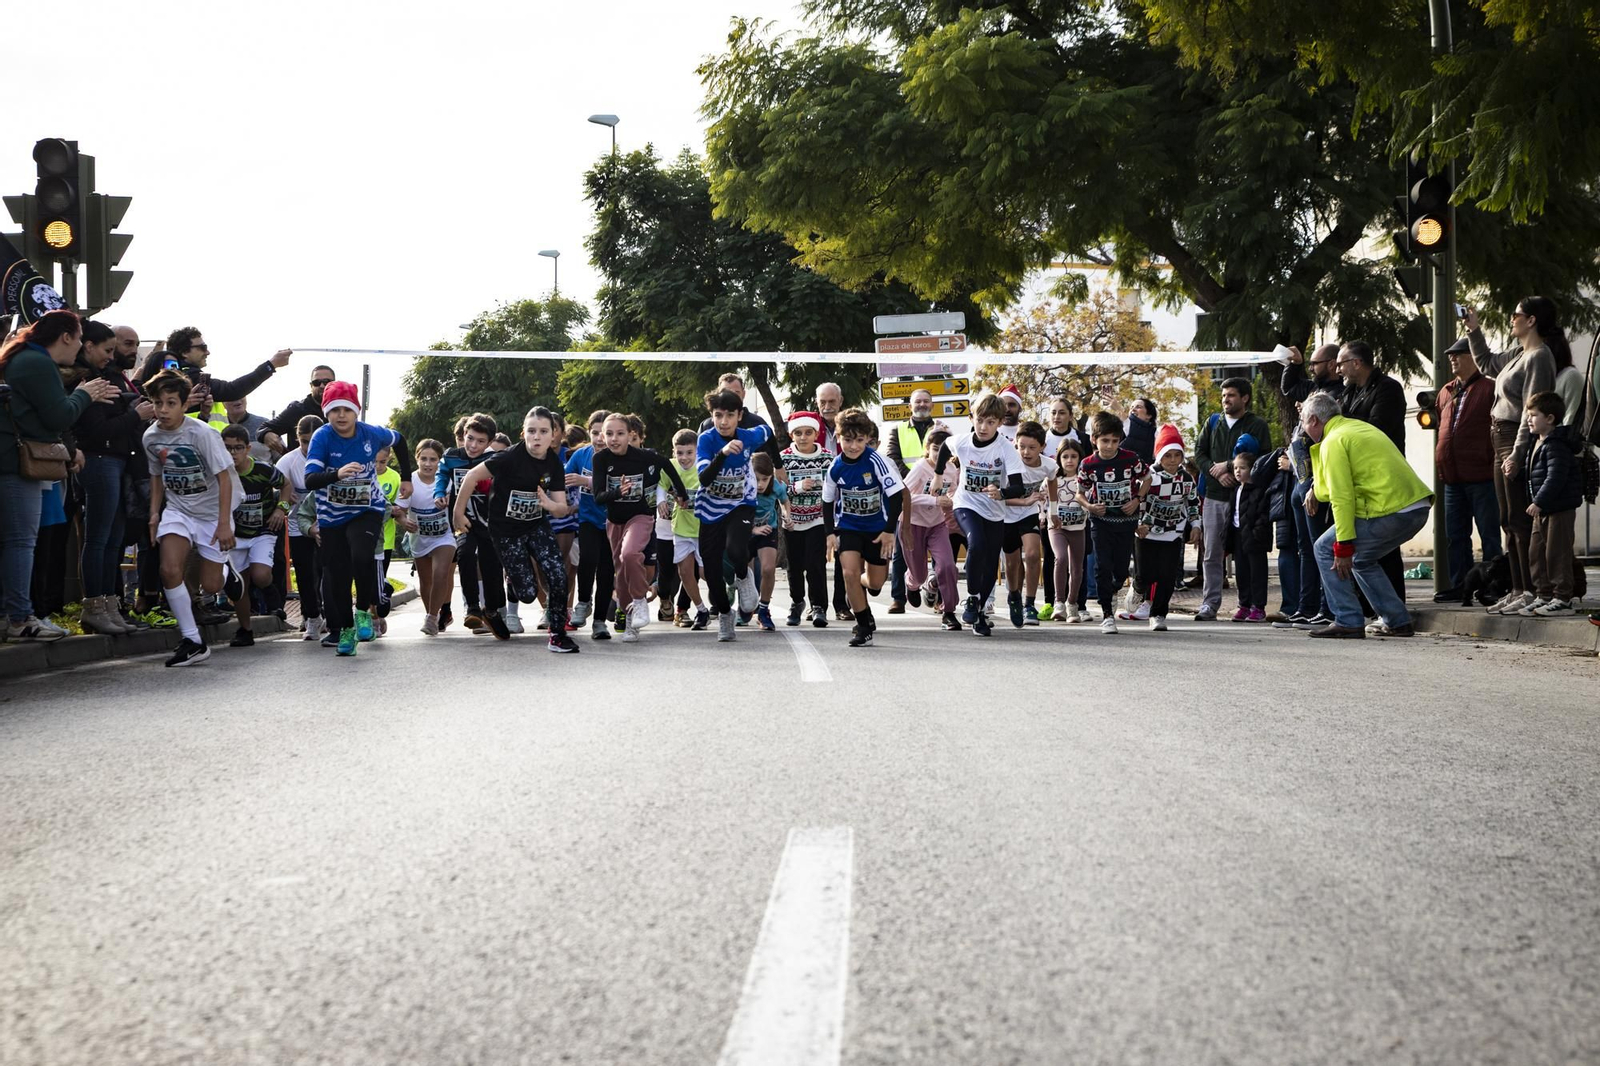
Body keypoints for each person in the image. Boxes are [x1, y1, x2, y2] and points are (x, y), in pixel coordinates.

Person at [1, 311, 118, 641]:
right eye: (79, 339)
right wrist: (85, 394)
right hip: (16, 464)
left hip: (9, 459)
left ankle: (8, 614)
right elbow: (58, 416)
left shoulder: (18, 356)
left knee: (9, 543)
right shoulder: (38, 364)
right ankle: (21, 619)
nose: (80, 347)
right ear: (66, 336)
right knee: (21, 543)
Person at [1463, 299, 1569, 616]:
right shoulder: (1518, 354)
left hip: (1513, 437)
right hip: (1499, 436)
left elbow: (1530, 410)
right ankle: (1519, 587)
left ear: (1532, 320)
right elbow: (1486, 364)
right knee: (1507, 520)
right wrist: (1474, 330)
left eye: (1516, 314)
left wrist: (1518, 452)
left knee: (1520, 521)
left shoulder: (1538, 357)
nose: (1512, 320)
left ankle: (1532, 589)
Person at [1300, 392, 1432, 639]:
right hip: (1415, 507)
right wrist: (1315, 491)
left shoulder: (1332, 442)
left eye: (1304, 423)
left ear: (1315, 420)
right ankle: (1398, 620)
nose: (1304, 430)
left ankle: (1348, 619)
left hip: (1389, 509)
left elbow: (1342, 497)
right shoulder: (1356, 429)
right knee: (1362, 560)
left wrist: (1344, 545)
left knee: (1323, 547)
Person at [452, 407, 579, 651]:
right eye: (531, 431)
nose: (537, 437)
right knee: (528, 593)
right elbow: (471, 477)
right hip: (505, 531)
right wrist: (458, 514)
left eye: (543, 431)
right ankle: (511, 581)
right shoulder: (509, 457)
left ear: (554, 435)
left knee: (557, 574)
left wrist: (550, 504)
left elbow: (561, 508)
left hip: (536, 526)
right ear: (524, 434)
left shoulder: (554, 464)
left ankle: (558, 635)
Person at [302, 381, 411, 656]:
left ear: (356, 412)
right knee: (336, 576)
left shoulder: (371, 434)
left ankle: (363, 611)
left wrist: (407, 477)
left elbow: (400, 439)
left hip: (367, 509)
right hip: (332, 516)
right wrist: (336, 474)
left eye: (347, 410)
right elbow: (310, 479)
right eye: (334, 410)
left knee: (362, 556)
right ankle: (347, 630)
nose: (341, 415)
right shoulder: (322, 438)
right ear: (326, 413)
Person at [141, 369, 238, 666]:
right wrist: (154, 514)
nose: (163, 410)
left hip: (211, 512)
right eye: (158, 403)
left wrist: (223, 524)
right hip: (178, 510)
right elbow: (156, 477)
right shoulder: (151, 437)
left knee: (210, 586)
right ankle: (193, 640)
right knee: (169, 570)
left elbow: (225, 478)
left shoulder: (202, 434)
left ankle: (226, 573)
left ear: (185, 405)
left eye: (171, 403)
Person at [73, 320, 155, 635]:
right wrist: (135, 414)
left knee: (113, 541)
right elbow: (97, 432)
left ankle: (109, 605)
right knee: (98, 539)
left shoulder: (108, 378)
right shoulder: (88, 380)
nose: (111, 356)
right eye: (107, 350)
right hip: (99, 461)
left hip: (118, 463)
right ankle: (94, 605)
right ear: (88, 346)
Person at [931, 391, 1026, 637]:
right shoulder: (962, 441)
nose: (984, 427)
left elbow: (1019, 486)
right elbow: (944, 447)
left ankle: (980, 612)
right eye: (980, 420)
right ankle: (971, 599)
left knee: (990, 562)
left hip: (994, 511)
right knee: (977, 543)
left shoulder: (1005, 448)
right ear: (972, 417)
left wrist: (1002, 493)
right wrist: (939, 474)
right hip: (966, 504)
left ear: (1000, 422)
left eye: (991, 422)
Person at [591, 412, 689, 642]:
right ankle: (631, 624)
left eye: (620, 434)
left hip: (641, 517)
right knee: (622, 574)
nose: (614, 439)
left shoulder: (643, 456)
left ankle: (640, 601)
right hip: (615, 522)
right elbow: (598, 497)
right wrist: (618, 492)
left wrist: (681, 493)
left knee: (630, 553)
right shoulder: (601, 459)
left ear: (630, 435)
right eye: (609, 434)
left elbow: (667, 465)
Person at [821, 408, 905, 647]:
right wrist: (829, 533)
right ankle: (863, 623)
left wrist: (890, 531)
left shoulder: (877, 461)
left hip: (878, 528)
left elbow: (897, 496)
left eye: (859, 440)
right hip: (848, 526)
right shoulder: (835, 467)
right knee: (849, 572)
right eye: (848, 440)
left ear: (868, 439)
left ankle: (858, 587)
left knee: (876, 584)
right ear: (839, 438)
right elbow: (827, 502)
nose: (853, 446)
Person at [697, 388, 773, 641]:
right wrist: (724, 453)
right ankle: (725, 615)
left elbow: (768, 431)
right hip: (711, 508)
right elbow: (704, 478)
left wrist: (778, 467)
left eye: (730, 415)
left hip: (742, 503)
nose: (724, 421)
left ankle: (743, 576)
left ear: (740, 416)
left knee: (736, 549)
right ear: (712, 416)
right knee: (711, 567)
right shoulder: (706, 440)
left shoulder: (749, 435)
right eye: (718, 415)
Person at [1193, 377, 1271, 621]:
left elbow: (1263, 458)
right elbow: (1199, 453)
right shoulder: (1212, 422)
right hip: (1215, 496)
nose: (1226, 400)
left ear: (1245, 398)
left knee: (1247, 553)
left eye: (1231, 395)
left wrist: (1227, 466)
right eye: (1224, 395)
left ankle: (1249, 604)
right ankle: (1210, 604)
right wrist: (1214, 471)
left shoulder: (1256, 425)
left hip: (1246, 498)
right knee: (1212, 552)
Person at [1434, 337, 1503, 601]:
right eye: (1451, 355)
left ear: (1473, 356)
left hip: (1482, 476)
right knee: (1456, 536)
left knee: (1489, 535)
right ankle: (1461, 585)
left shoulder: (1490, 388)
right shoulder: (1446, 391)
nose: (1452, 358)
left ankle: (1493, 585)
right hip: (1452, 478)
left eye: (1458, 354)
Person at [1078, 411, 1149, 635]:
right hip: (1100, 521)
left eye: (1114, 441)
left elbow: (1147, 478)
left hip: (1126, 520)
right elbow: (1079, 492)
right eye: (1104, 441)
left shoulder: (1130, 459)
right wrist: (1089, 506)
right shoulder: (1088, 464)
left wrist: (1137, 500)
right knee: (1102, 565)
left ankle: (1116, 587)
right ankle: (1107, 614)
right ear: (1094, 440)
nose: (1109, 446)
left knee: (1120, 568)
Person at [219, 423, 284, 648]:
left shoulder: (263, 470)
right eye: (227, 448)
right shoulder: (219, 474)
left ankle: (269, 589)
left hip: (262, 531)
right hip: (235, 535)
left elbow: (286, 484)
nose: (232, 453)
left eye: (237, 448)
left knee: (260, 575)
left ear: (248, 448)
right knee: (240, 586)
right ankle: (245, 630)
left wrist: (280, 509)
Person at [1520, 392, 1583, 616]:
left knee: (1557, 553)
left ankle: (1562, 597)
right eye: (1528, 415)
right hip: (1542, 509)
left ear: (1550, 418)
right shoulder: (1536, 442)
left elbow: (1555, 477)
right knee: (1536, 553)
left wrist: (1539, 501)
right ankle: (1543, 594)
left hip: (1558, 509)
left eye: (1533, 415)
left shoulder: (1556, 445)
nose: (1528, 419)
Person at [437, 413, 500, 634]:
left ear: (489, 443)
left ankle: (492, 610)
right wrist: (439, 493)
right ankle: (472, 607)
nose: (473, 445)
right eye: (470, 438)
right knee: (464, 554)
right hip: (461, 517)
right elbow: (442, 475)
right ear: (464, 434)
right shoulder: (451, 456)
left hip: (488, 521)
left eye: (481, 441)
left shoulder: (494, 460)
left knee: (491, 564)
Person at [1135, 425, 1201, 631]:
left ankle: (1158, 614)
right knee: (1144, 575)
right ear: (1159, 456)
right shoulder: (1149, 476)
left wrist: (1196, 525)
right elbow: (1137, 500)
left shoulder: (1187, 479)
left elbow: (1192, 503)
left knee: (1167, 576)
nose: (1172, 460)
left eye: (1177, 455)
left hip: (1172, 533)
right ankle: (1138, 591)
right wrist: (1139, 524)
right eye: (1167, 455)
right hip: (1147, 533)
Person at [901, 426, 962, 630]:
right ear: (927, 449)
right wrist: (934, 500)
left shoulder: (952, 470)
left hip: (937, 525)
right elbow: (904, 495)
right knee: (919, 574)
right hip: (913, 524)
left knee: (947, 566)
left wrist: (952, 501)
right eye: (936, 449)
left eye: (944, 450)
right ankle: (912, 582)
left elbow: (954, 492)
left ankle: (949, 612)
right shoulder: (920, 468)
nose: (939, 455)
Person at [779, 411, 833, 628]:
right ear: (792, 435)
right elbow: (778, 490)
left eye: (808, 432)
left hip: (818, 519)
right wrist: (798, 487)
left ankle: (818, 606)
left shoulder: (828, 458)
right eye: (798, 433)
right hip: (792, 521)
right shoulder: (784, 458)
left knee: (815, 564)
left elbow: (833, 488)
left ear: (816, 433)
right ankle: (797, 602)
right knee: (794, 566)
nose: (803, 437)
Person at [885, 388, 936, 613]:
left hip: (935, 492)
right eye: (918, 402)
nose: (922, 405)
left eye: (926, 401)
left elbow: (949, 457)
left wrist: (931, 477)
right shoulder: (897, 429)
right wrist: (915, 476)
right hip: (905, 493)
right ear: (910, 406)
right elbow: (892, 458)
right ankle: (898, 598)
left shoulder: (941, 430)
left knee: (938, 549)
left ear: (932, 405)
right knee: (901, 547)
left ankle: (937, 594)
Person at [566, 409, 615, 639]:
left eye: (603, 434)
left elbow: (618, 486)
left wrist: (586, 481)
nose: (599, 439)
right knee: (587, 559)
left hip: (614, 521)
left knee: (607, 571)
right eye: (595, 433)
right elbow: (563, 480)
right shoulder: (580, 455)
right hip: (587, 518)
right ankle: (584, 601)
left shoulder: (619, 457)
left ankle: (599, 622)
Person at [275, 415, 324, 641]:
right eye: (304, 441)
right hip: (297, 524)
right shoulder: (288, 462)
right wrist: (285, 497)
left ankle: (325, 613)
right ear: (297, 439)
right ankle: (312, 617)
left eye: (314, 441)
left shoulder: (332, 458)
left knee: (324, 572)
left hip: (326, 522)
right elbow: (274, 492)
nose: (308, 447)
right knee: (304, 573)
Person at [401, 438, 457, 635]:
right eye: (423, 458)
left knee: (441, 573)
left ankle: (433, 617)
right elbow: (398, 510)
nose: (427, 464)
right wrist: (402, 521)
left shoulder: (447, 480)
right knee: (426, 582)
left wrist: (451, 501)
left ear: (439, 462)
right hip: (419, 537)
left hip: (445, 536)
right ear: (417, 459)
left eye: (433, 459)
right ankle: (430, 614)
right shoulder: (410, 481)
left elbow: (462, 501)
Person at [1002, 421, 1055, 627]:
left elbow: (1052, 480)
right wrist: (1024, 500)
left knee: (1033, 554)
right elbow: (999, 496)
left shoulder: (1048, 464)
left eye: (1032, 447)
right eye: (1021, 446)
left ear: (1042, 447)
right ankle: (1014, 595)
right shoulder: (1009, 464)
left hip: (1028, 513)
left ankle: (1029, 604)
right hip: (1006, 515)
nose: (1026, 452)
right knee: (1012, 563)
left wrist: (1054, 510)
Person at [666, 428, 710, 630]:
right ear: (674, 452)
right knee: (684, 571)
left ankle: (727, 591)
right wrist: (661, 502)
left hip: (703, 529)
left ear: (697, 451)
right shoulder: (671, 466)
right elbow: (660, 484)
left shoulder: (704, 467)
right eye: (679, 452)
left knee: (705, 574)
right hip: (681, 528)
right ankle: (701, 609)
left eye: (689, 452)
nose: (684, 458)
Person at [1226, 438, 1270, 623]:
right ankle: (1244, 604)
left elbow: (1262, 514)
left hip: (1254, 536)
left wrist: (1256, 533)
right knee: (1242, 572)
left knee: (1257, 573)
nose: (1238, 471)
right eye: (1235, 468)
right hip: (1238, 535)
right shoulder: (1236, 490)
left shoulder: (1258, 490)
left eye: (1242, 468)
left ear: (1251, 469)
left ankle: (1258, 606)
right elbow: (1232, 514)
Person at [1048, 439, 1090, 624]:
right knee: (1061, 558)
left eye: (1074, 456)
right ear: (1059, 458)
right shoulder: (1052, 479)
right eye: (1065, 456)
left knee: (1077, 567)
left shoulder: (1085, 480)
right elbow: (1044, 499)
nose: (1069, 460)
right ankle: (1059, 603)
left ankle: (1072, 603)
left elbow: (1090, 500)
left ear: (1080, 458)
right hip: (1057, 528)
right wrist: (1044, 517)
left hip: (1078, 528)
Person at [749, 453, 788, 631]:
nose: (760, 484)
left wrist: (787, 515)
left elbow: (785, 502)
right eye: (756, 479)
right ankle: (746, 606)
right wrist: (752, 529)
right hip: (745, 532)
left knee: (767, 568)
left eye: (765, 479)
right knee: (746, 573)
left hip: (767, 530)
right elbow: (733, 513)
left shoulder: (776, 486)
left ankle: (763, 610)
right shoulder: (743, 486)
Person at [259, 366, 336, 454]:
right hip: (301, 465)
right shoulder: (297, 409)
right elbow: (263, 428)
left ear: (335, 384)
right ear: (311, 386)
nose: (322, 386)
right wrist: (266, 434)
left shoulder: (343, 409)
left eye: (327, 382)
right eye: (316, 382)